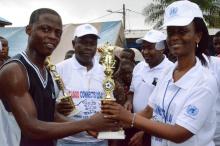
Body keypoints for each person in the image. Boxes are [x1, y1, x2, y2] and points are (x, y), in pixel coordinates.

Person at [102, 1, 218, 146]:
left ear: (198, 36)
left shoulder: (205, 82)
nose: (175, 37)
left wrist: (129, 118)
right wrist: (110, 126)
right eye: (171, 32)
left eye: (182, 31)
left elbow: (179, 134)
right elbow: (150, 110)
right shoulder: (169, 72)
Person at [0, 8, 117, 146]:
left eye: (58, 33)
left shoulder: (47, 70)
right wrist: (88, 124)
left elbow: (52, 116)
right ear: (29, 30)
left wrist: (90, 128)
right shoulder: (15, 70)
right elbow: (31, 128)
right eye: (45, 29)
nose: (53, 36)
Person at [55, 24, 110, 146]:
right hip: (68, 140)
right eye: (83, 43)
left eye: (92, 44)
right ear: (74, 44)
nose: (88, 48)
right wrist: (56, 107)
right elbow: (48, 107)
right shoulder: (59, 69)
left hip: (99, 141)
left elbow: (109, 105)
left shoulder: (105, 72)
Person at [123, 30, 173, 146]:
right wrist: (129, 101)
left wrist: (145, 132)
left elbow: (167, 109)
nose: (145, 52)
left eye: (150, 48)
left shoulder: (170, 71)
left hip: (155, 130)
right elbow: (132, 90)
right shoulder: (138, 67)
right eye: (143, 48)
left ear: (161, 48)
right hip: (134, 123)